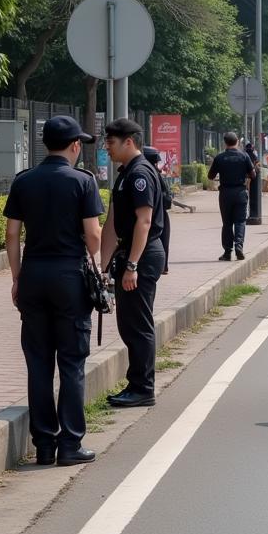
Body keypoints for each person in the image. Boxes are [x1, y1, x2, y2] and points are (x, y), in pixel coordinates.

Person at [4, 116, 103, 467]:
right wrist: (98, 268)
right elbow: (93, 235)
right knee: (72, 361)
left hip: (32, 275)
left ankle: (44, 445)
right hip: (69, 278)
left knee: (39, 362)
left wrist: (17, 278)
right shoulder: (83, 182)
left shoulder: (24, 181)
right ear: (75, 145)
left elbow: (12, 235)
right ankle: (71, 444)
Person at [100, 118, 166, 409]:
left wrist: (132, 266)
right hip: (130, 253)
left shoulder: (140, 173)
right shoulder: (125, 173)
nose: (107, 147)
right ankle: (136, 383)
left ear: (129, 141)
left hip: (143, 253)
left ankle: (143, 388)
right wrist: (102, 267)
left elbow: (144, 221)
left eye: (111, 142)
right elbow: (113, 223)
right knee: (128, 323)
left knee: (138, 323)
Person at [208, 132, 256, 260]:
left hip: (225, 193)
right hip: (240, 192)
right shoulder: (244, 156)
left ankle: (227, 252)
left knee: (227, 223)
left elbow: (210, 176)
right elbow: (253, 175)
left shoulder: (219, 158)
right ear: (237, 142)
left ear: (225, 143)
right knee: (240, 221)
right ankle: (239, 246)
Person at [142, 146, 173, 274]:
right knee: (162, 241)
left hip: (149, 215)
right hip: (160, 215)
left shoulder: (145, 173)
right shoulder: (154, 175)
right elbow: (168, 201)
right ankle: (162, 266)